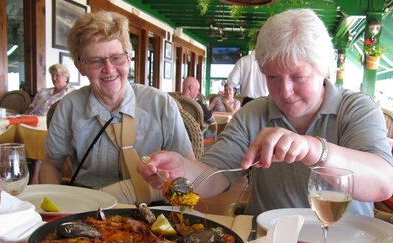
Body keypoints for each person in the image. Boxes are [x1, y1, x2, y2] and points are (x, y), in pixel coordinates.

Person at [137, 8, 393, 217]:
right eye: (273, 77)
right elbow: (216, 175)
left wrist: (312, 149)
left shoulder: (356, 108)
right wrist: (183, 170)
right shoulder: (254, 113)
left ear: (323, 69)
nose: (285, 91)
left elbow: (383, 183)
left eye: (298, 76)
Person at [40, 11, 194, 204]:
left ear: (128, 59)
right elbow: (51, 164)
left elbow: (189, 168)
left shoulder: (161, 105)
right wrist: (55, 207)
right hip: (89, 209)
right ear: (80, 66)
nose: (109, 69)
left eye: (117, 58)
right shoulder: (68, 107)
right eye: (96, 60)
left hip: (155, 207)